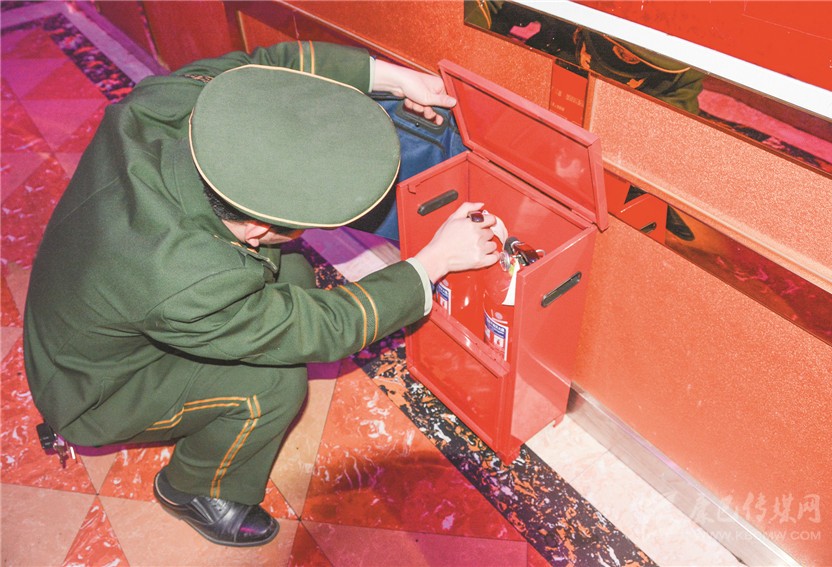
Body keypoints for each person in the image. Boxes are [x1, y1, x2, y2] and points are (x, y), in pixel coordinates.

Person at [23, 40, 502, 547]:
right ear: (255, 229)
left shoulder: (166, 104)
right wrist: (434, 262)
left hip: (82, 308)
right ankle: (194, 488)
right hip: (93, 389)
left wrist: (394, 77)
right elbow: (326, 328)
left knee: (290, 269)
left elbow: (262, 70)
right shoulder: (185, 277)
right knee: (272, 386)